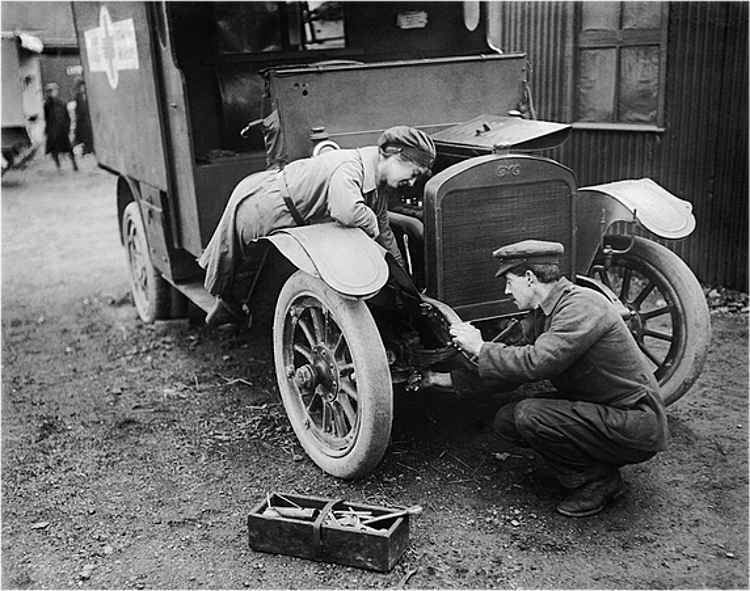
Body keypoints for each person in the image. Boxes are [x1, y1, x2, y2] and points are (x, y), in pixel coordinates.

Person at [411, 239, 669, 518]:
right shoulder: (543, 314)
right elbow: (508, 373)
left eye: (509, 281)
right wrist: (435, 379)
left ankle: (598, 481)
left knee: (530, 415)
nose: (506, 291)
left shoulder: (582, 306)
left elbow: (536, 363)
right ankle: (592, 460)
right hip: (603, 406)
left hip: (636, 421)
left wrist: (480, 347)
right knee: (508, 421)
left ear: (531, 278)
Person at [198, 125, 436, 325]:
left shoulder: (379, 185)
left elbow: (384, 232)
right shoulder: (349, 166)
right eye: (413, 172)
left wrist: (404, 279)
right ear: (394, 155)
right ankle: (228, 307)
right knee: (248, 276)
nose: (412, 181)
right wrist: (371, 221)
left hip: (290, 213)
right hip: (266, 205)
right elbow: (347, 211)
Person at [43, 83, 78, 171]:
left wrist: (67, 128)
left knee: (69, 149)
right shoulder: (47, 105)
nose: (51, 93)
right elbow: (47, 118)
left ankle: (75, 165)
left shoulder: (62, 103)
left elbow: (67, 117)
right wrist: (47, 130)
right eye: (49, 92)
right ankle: (58, 167)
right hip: (53, 131)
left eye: (53, 91)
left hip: (62, 130)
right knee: (54, 151)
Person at [73, 78, 94, 156]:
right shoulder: (78, 96)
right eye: (81, 86)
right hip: (82, 120)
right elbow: (78, 110)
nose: (83, 88)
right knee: (83, 136)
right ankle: (86, 150)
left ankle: (90, 149)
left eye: (83, 86)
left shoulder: (88, 95)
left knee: (89, 135)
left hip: (88, 119)